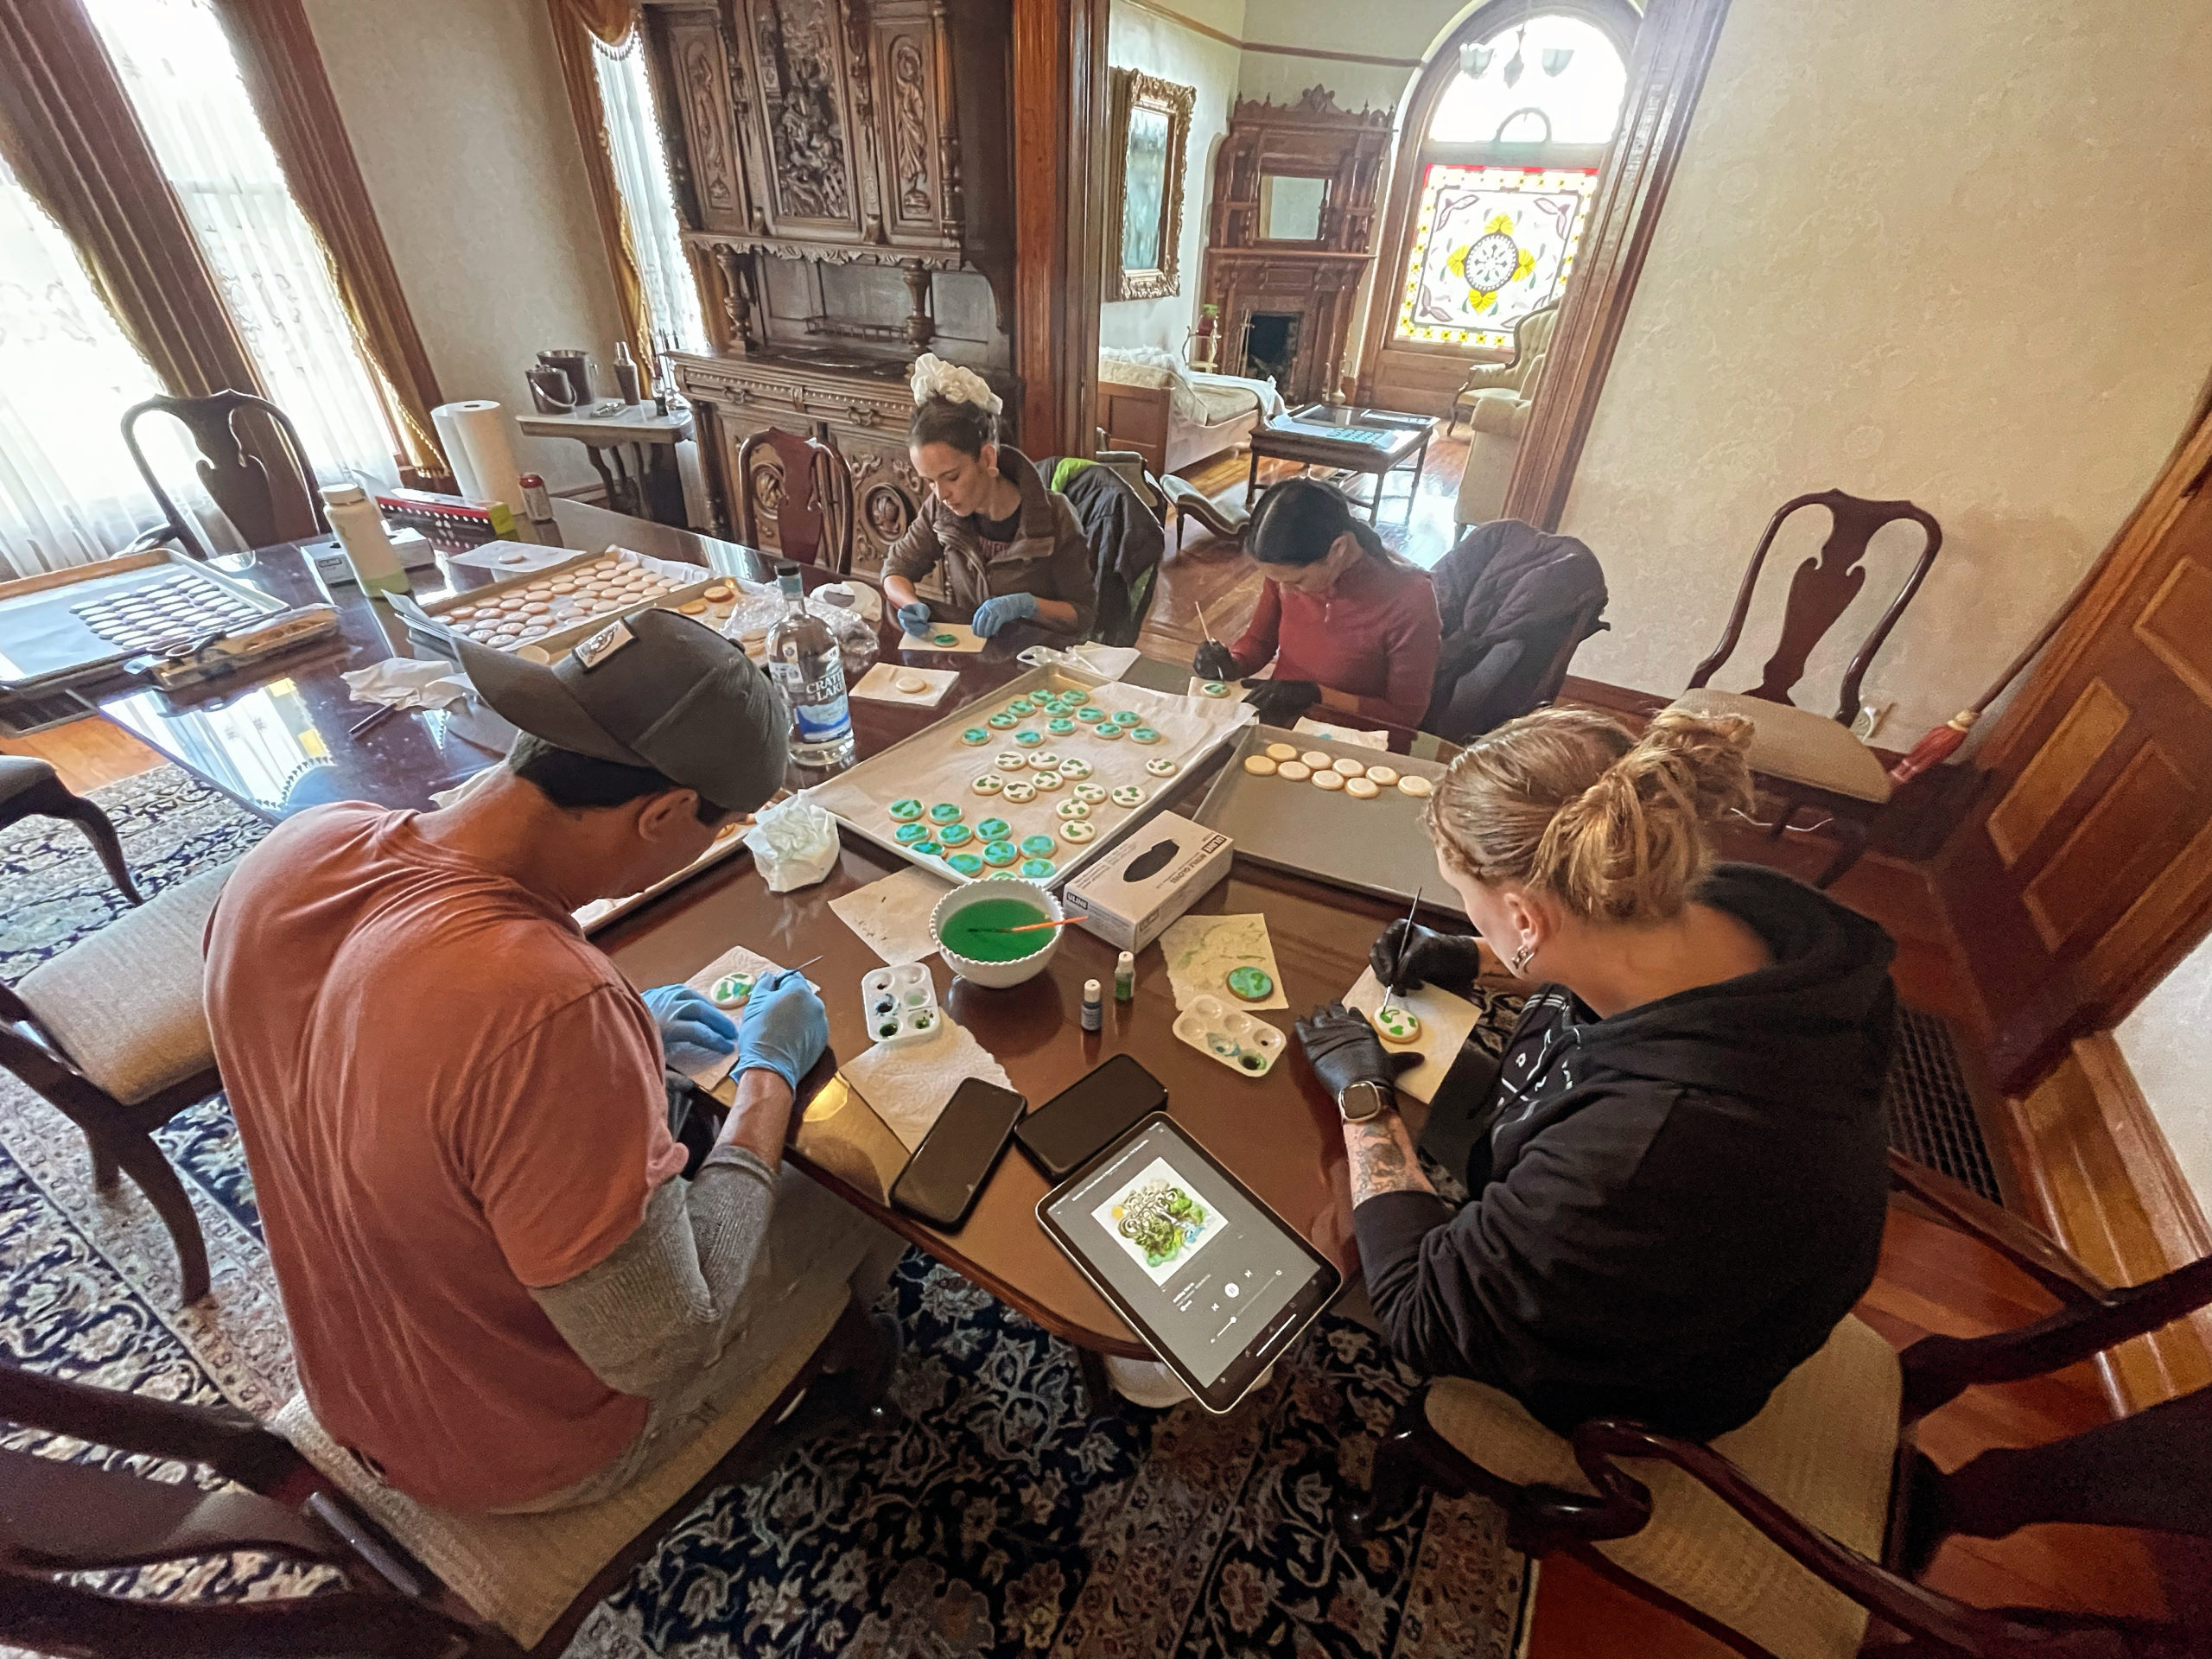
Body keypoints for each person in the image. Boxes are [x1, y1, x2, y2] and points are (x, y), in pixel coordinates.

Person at [203, 610, 904, 1514]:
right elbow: (667, 1343)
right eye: (722, 827)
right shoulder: (546, 1005)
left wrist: (624, 1043)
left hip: (356, 1380)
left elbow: (402, 1067)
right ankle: (829, 1374)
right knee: (860, 1178)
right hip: (516, 1449)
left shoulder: (300, 846)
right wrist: (766, 1077)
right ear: (663, 815)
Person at [1294, 707, 1896, 1440]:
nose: (1468, 917)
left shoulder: (1643, 1149)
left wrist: (1365, 1101)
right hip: (1672, 1239)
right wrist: (1472, 956)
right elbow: (1592, 939)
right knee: (1434, 1089)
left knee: (1318, 1244)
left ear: (1526, 919)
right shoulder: (1727, 901)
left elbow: (1420, 1314)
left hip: (1636, 1377)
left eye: (1467, 902)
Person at [1192, 478, 1442, 730]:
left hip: (1352, 739)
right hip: (1280, 723)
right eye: (1277, 581)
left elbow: (1405, 716)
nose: (1285, 589)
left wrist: (1319, 695)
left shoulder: (1410, 600)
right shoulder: (1285, 573)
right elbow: (1259, 641)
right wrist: (1232, 662)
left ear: (1338, 549)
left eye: (1297, 581)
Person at [882, 353, 1095, 639]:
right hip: (974, 650)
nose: (941, 494)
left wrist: (1028, 606)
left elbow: (1083, 614)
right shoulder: (941, 510)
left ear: (987, 458)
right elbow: (896, 569)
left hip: (1038, 655)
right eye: (930, 482)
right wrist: (909, 603)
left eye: (952, 477)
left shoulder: (1055, 515)